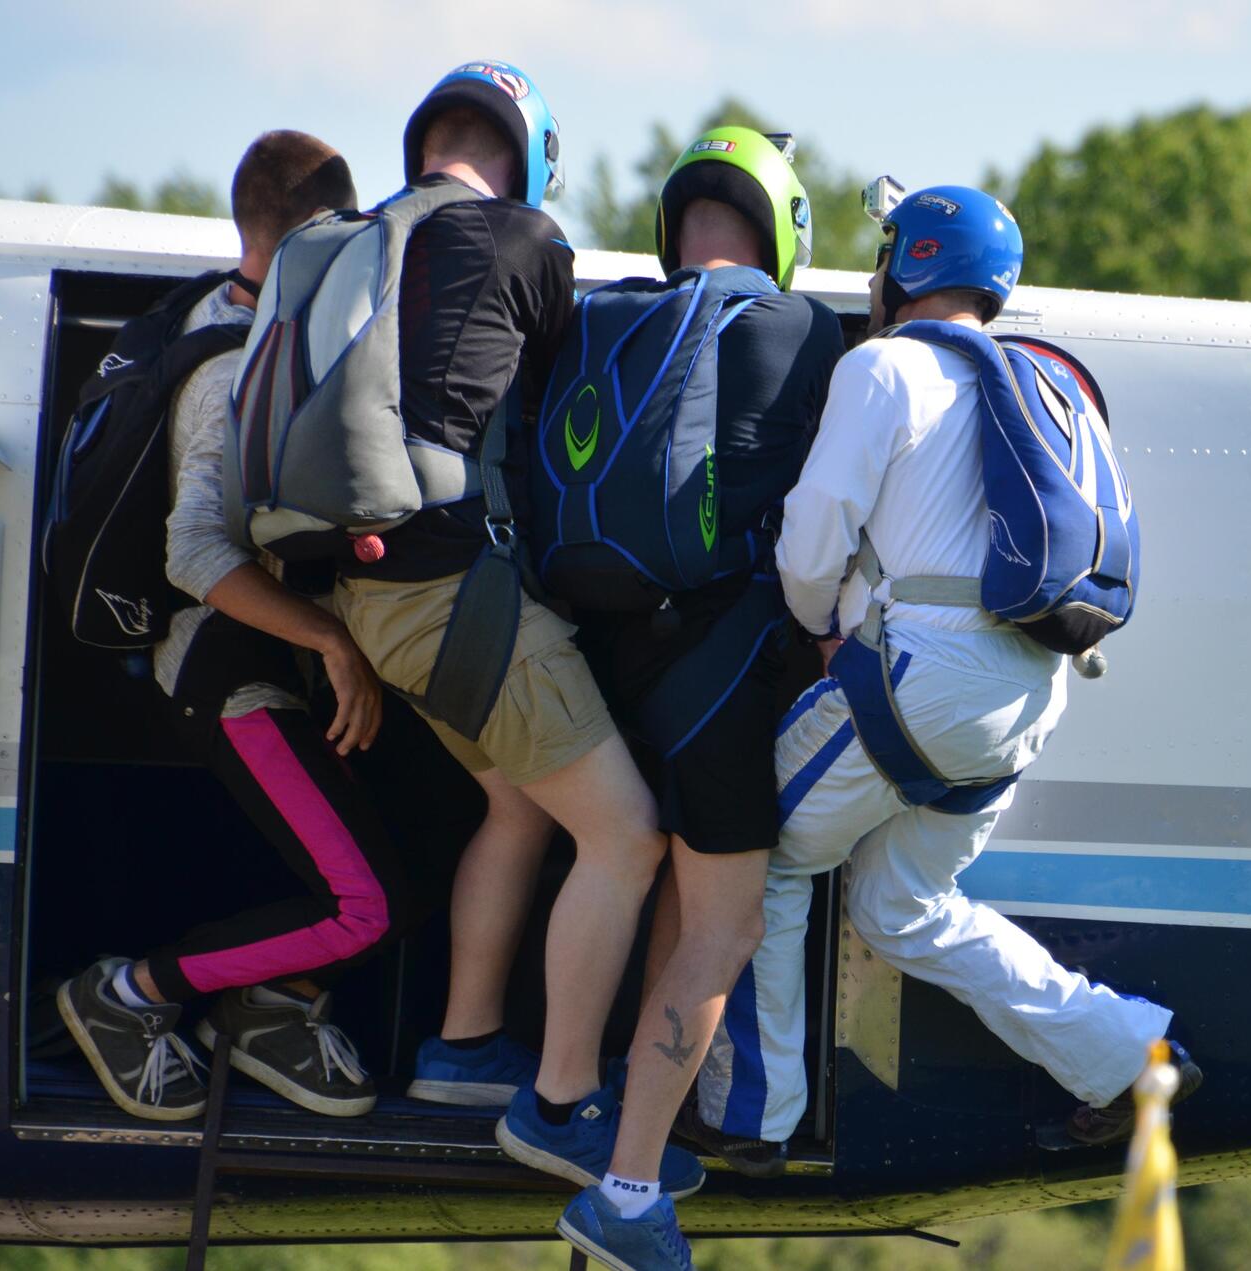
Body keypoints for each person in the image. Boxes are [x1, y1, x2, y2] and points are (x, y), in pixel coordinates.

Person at [690, 185, 1198, 1176]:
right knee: (899, 905)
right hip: (1025, 695)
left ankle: (752, 1111)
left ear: (909, 263)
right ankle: (1130, 1057)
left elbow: (814, 535)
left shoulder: (883, 366)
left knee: (760, 855)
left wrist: (815, 627)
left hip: (914, 684)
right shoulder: (1044, 385)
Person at [323, 61, 692, 1194]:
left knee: (516, 799)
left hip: (359, 592)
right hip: (456, 598)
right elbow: (564, 401)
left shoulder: (343, 243)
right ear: (527, 159)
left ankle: (467, 1047)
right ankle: (561, 1104)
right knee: (627, 837)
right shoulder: (524, 241)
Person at [57, 131, 416, 1121]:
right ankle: (126, 996)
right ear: (312, 234)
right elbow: (197, 555)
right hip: (227, 677)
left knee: (382, 871)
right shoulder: (226, 369)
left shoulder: (249, 324)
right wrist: (333, 642)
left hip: (257, 666)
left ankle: (274, 1008)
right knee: (365, 906)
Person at [535, 129, 844, 1267]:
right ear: (786, 227)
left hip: (606, 655)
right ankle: (623, 1193)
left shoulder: (607, 313)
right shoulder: (804, 327)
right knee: (727, 925)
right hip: (727, 664)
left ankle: (609, 1113)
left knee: (644, 863)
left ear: (678, 225)